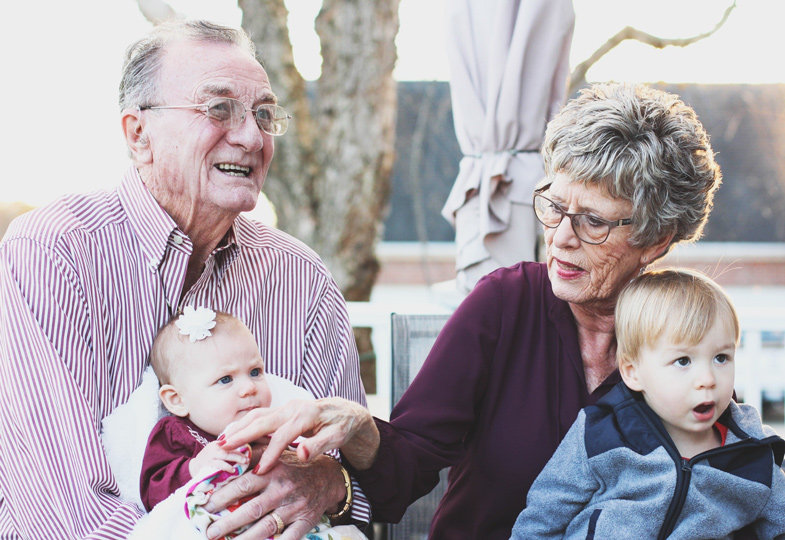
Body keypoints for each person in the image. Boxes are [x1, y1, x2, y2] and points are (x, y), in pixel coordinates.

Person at [212, 82, 726, 539]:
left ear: (656, 240)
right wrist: (359, 424)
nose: (561, 239)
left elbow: (722, 480)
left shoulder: (689, 333)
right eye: (553, 205)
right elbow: (403, 471)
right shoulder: (505, 304)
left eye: (593, 221)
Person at [0, 20, 368, 539]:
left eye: (264, 114)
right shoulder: (53, 253)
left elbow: (354, 477)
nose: (250, 136)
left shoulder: (301, 278)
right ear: (138, 134)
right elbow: (60, 512)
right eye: (218, 109)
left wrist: (330, 482)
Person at [511, 269, 785, 538]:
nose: (707, 379)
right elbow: (543, 517)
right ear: (633, 372)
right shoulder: (602, 434)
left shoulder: (754, 456)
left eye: (721, 358)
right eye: (683, 361)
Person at [140, 307, 272, 511]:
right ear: (177, 400)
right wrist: (194, 467)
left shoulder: (272, 427)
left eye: (255, 372)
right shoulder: (177, 433)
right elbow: (152, 493)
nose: (249, 387)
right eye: (225, 379)